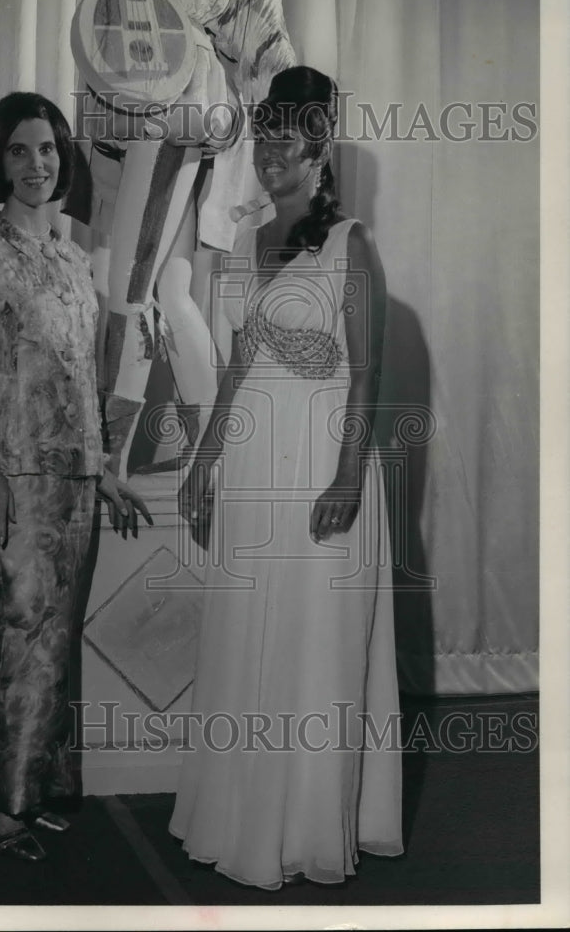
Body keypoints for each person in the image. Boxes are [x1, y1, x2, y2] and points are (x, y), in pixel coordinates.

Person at [169, 66, 404, 888]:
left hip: (318, 460)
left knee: (315, 647)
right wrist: (203, 461)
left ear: (319, 148)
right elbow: (234, 366)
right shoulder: (241, 242)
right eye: (263, 136)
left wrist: (346, 476)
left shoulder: (351, 243)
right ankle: (241, 820)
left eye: (287, 137)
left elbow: (367, 373)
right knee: (244, 638)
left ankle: (305, 829)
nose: (269, 152)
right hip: (251, 461)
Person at [0, 92, 151, 862]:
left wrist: (103, 474)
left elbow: (78, 383)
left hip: (73, 483)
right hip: (19, 482)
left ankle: (34, 789)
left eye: (48, 151)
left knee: (54, 643)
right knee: (18, 637)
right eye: (19, 152)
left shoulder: (67, 259)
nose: (37, 166)